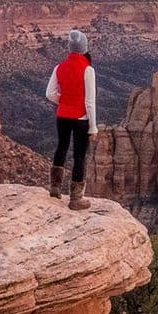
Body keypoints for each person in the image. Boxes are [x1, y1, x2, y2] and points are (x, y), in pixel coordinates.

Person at [46, 29, 97, 210]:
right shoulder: (87, 70)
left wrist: (64, 101)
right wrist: (93, 127)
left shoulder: (59, 67)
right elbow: (90, 101)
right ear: (84, 48)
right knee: (79, 156)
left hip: (62, 115)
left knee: (61, 147)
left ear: (70, 48)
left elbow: (49, 93)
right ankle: (76, 199)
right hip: (81, 118)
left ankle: (55, 188)